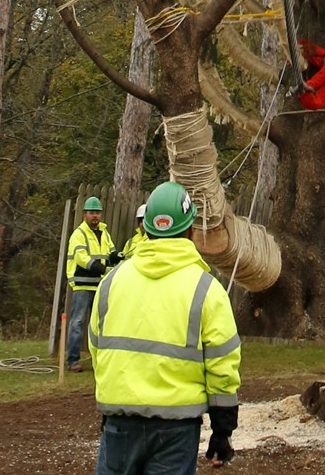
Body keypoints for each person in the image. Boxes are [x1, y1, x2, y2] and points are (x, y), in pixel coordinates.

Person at [89, 180, 240, 474]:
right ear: (191, 230)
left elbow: (97, 348)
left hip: (120, 421)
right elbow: (223, 363)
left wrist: (111, 400)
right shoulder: (206, 290)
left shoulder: (112, 282)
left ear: (145, 228)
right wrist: (222, 431)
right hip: (177, 429)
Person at [66, 197, 120, 371]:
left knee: (101, 323)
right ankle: (73, 361)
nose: (95, 216)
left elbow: (110, 252)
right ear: (84, 215)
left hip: (99, 285)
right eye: (92, 213)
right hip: (83, 285)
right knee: (78, 322)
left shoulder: (104, 233)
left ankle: (102, 359)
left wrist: (119, 256)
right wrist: (102, 269)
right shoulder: (79, 234)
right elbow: (81, 258)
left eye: (97, 212)